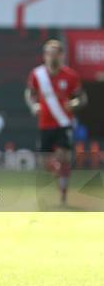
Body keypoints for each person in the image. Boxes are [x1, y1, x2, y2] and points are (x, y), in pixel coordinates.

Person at [25, 39, 87, 204]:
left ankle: (63, 196)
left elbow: (82, 97)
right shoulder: (37, 74)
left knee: (64, 157)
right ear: (44, 56)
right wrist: (34, 105)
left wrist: (73, 104)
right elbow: (30, 93)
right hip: (45, 124)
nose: (52, 57)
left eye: (55, 54)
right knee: (45, 162)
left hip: (63, 123)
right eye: (49, 54)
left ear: (62, 56)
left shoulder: (70, 75)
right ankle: (57, 172)